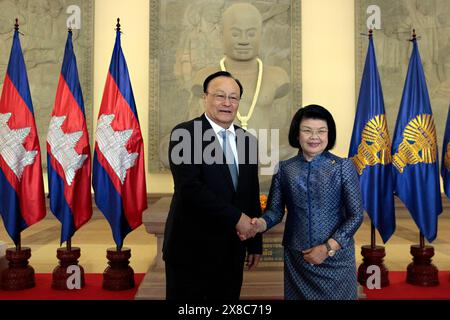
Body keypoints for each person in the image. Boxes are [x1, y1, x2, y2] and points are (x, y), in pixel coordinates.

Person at [245, 104, 364, 300]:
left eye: (321, 131)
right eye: (307, 131)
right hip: (298, 258)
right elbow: (275, 211)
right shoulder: (284, 169)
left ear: (329, 135)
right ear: (297, 135)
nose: (314, 137)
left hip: (336, 258)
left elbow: (356, 215)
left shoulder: (343, 166)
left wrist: (328, 248)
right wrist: (260, 224)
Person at [162, 71, 262, 300]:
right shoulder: (185, 133)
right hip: (191, 249)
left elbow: (250, 192)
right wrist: (238, 218)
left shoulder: (248, 140)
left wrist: (255, 241)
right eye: (219, 96)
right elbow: (190, 188)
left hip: (232, 249)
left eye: (234, 97)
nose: (227, 103)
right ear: (205, 98)